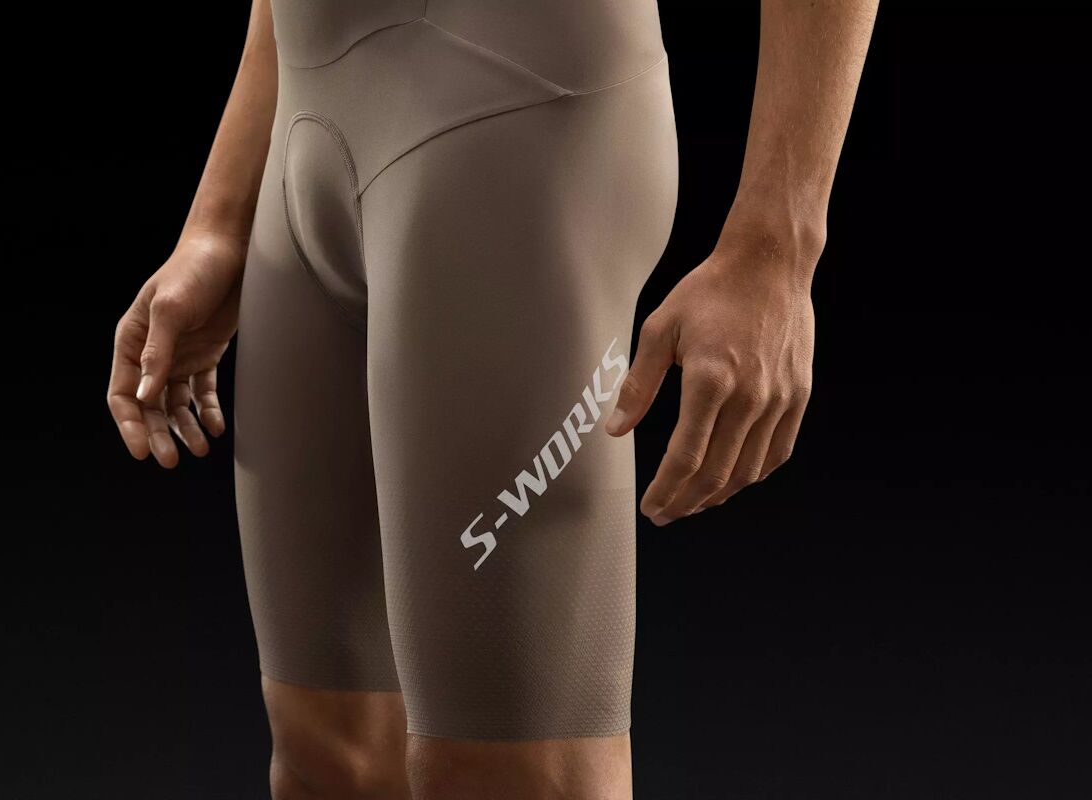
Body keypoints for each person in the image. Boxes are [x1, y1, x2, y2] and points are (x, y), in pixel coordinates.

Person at [106, 1, 879, 796]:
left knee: (509, 775)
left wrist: (776, 249)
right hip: (305, 121)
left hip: (521, 115)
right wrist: (220, 218)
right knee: (326, 755)